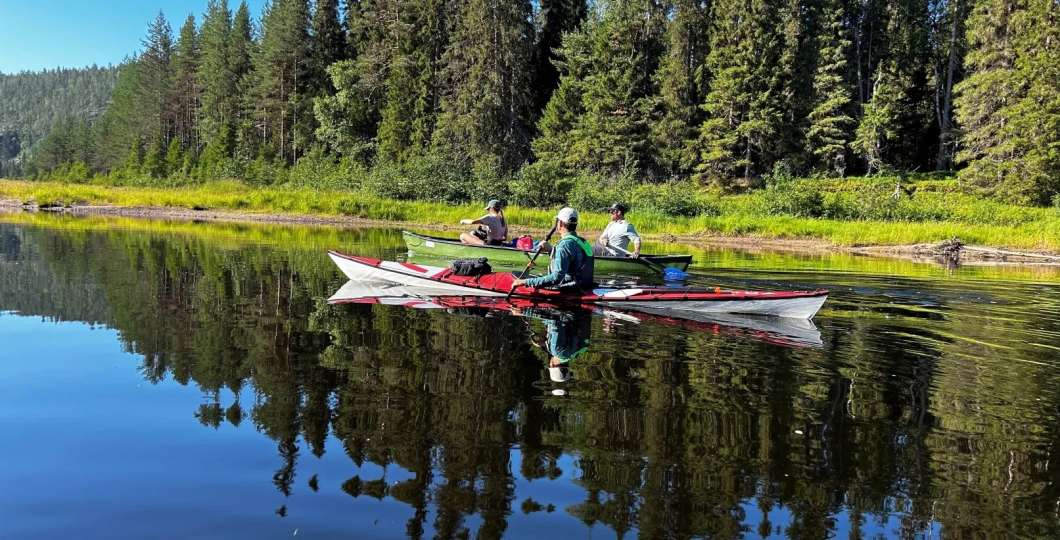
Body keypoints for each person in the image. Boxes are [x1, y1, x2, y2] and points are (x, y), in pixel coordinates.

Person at [511, 207, 594, 291]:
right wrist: (551, 250)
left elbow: (556, 278)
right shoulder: (583, 242)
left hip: (570, 289)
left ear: (560, 223)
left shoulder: (564, 245)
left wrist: (525, 282)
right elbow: (572, 262)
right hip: (585, 286)